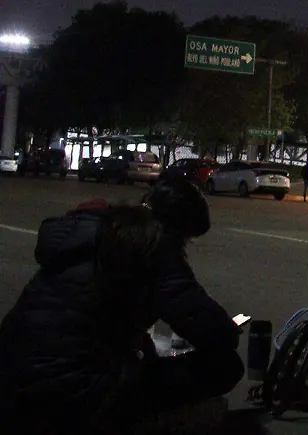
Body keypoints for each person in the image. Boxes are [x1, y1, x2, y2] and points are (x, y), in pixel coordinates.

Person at [0, 180, 243, 433]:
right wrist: (229, 329)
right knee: (225, 367)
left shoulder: (97, 232)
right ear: (177, 228)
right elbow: (210, 328)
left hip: (10, 377)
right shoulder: (154, 246)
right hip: (72, 393)